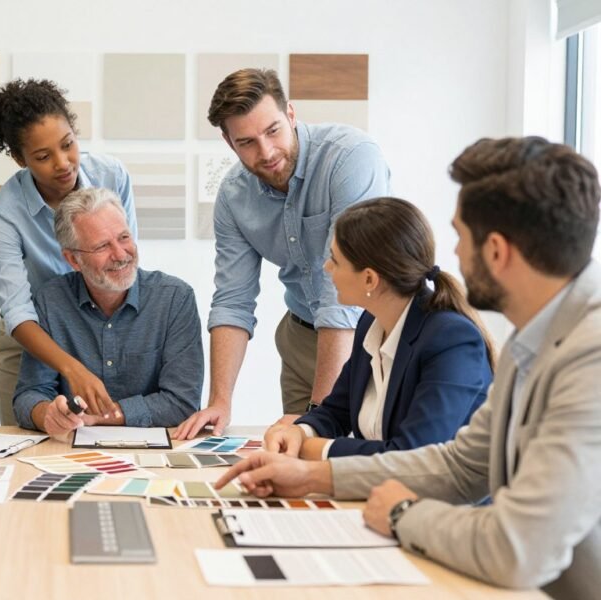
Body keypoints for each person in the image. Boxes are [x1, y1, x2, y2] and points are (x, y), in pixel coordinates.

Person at [215, 137, 601, 598]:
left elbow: (518, 549)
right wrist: (311, 476)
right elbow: (461, 465)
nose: (452, 255)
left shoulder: (589, 357)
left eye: (460, 236)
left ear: (496, 251)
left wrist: (401, 515)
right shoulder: (536, 335)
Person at [177, 68, 391, 439]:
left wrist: (317, 419)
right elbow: (232, 300)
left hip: (372, 336)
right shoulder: (233, 196)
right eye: (246, 142)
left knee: (358, 457)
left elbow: (338, 295)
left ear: (290, 114)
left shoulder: (351, 158)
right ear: (229, 143)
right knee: (300, 471)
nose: (267, 152)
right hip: (301, 338)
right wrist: (220, 402)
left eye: (273, 131)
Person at [263, 197, 494, 459]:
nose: (326, 268)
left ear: (370, 279)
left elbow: (414, 454)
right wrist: (301, 432)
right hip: (382, 492)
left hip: (444, 499)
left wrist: (320, 450)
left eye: (335, 260)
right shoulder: (371, 323)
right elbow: (337, 411)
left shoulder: (452, 341)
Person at [0, 78, 137, 425]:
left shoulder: (112, 176)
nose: (63, 163)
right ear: (20, 159)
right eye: (42, 156)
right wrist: (71, 367)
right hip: (33, 341)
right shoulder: (4, 213)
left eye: (68, 144)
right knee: (27, 444)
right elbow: (17, 311)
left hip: (104, 329)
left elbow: (125, 262)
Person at [13, 187, 203, 435]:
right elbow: (28, 395)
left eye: (124, 237)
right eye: (102, 246)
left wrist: (102, 417)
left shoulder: (175, 299)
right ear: (73, 260)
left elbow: (183, 403)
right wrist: (48, 414)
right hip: (71, 451)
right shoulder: (50, 301)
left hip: (157, 452)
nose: (120, 254)